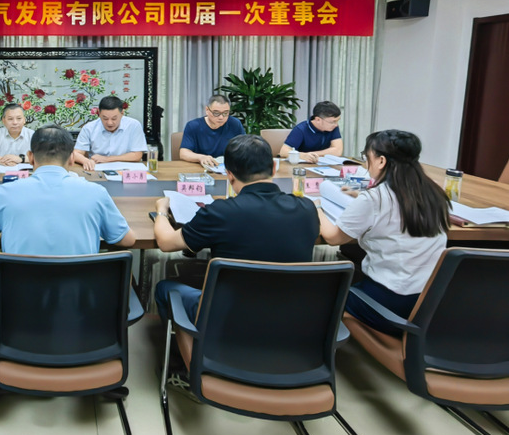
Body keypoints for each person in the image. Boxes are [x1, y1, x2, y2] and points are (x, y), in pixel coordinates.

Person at [154, 134, 319, 322]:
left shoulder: (220, 212)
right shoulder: (307, 209)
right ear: (274, 168)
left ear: (229, 174)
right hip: (294, 317)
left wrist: (161, 210)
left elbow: (166, 243)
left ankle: (193, 340)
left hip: (227, 319)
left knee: (164, 288)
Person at [318, 130, 449, 336]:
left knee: (324, 297)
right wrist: (363, 196)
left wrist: (316, 209)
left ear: (381, 161)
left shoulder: (375, 199)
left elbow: (334, 238)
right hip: (430, 300)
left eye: (366, 156)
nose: (366, 163)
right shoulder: (433, 193)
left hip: (392, 302)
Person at [0, 124, 136, 254]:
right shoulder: (96, 193)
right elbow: (127, 240)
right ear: (72, 158)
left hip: (19, 290)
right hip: (80, 290)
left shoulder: (5, 193)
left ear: (30, 157)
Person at [72, 96, 149, 171]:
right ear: (99, 113)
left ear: (122, 113)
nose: (109, 123)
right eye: (105, 118)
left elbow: (137, 155)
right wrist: (85, 161)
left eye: (114, 118)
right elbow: (76, 153)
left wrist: (107, 159)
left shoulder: (134, 125)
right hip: (97, 171)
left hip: (125, 171)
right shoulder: (89, 128)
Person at [179, 94, 245, 167]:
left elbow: (244, 148)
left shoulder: (235, 124)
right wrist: (201, 157)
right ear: (207, 110)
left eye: (225, 113)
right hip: (201, 167)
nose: (221, 117)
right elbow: (183, 153)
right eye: (216, 113)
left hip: (227, 168)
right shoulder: (193, 126)